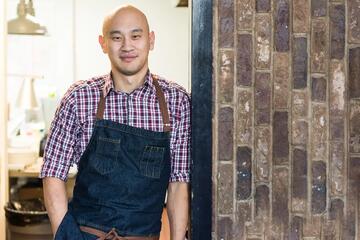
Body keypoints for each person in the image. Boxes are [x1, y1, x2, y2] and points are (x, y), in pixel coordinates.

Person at [40, 5, 190, 240]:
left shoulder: (177, 102)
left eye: (136, 36)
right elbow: (53, 173)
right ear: (103, 43)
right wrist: (67, 236)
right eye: (117, 37)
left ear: (150, 40)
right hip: (85, 234)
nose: (127, 46)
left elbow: (179, 183)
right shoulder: (79, 98)